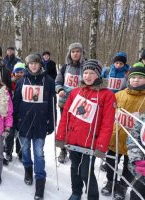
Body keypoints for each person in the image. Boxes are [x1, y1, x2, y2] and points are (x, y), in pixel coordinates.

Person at [56, 59, 116, 200]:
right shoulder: (75, 92)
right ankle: (76, 193)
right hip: (74, 140)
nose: (88, 76)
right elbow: (66, 116)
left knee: (86, 172)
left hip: (91, 143)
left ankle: (92, 196)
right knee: (74, 170)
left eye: (92, 73)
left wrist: (101, 146)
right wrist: (60, 137)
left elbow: (107, 124)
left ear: (98, 75)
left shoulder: (107, 95)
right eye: (86, 72)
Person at [101, 62, 145, 200]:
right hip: (115, 138)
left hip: (134, 145)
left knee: (128, 167)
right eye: (133, 77)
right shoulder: (119, 94)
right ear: (128, 78)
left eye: (139, 77)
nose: (135, 80)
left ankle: (122, 186)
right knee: (109, 162)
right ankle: (110, 182)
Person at [13, 53, 55, 200]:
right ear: (27, 65)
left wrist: (51, 121)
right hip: (23, 122)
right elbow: (16, 102)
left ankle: (40, 180)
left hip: (40, 123)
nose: (33, 65)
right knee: (25, 149)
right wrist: (14, 121)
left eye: (36, 63)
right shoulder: (21, 81)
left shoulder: (48, 81)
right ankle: (28, 170)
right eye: (31, 63)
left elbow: (51, 103)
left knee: (39, 152)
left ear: (40, 64)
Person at [55, 42, 86, 163]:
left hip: (80, 103)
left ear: (81, 53)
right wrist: (60, 89)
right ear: (70, 53)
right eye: (73, 51)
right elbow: (58, 82)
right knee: (64, 126)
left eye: (78, 51)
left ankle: (75, 150)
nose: (75, 54)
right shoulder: (64, 67)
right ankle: (63, 150)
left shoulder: (86, 67)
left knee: (77, 127)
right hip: (65, 102)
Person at [5, 62, 26, 161]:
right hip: (10, 113)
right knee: (10, 133)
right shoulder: (9, 83)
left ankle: (20, 151)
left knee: (21, 133)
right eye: (17, 72)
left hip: (22, 112)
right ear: (13, 73)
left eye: (21, 72)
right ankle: (8, 151)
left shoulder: (26, 83)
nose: (19, 74)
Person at [127, 114, 145, 200]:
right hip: (143, 177)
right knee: (135, 194)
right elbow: (133, 138)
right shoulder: (143, 119)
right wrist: (137, 160)